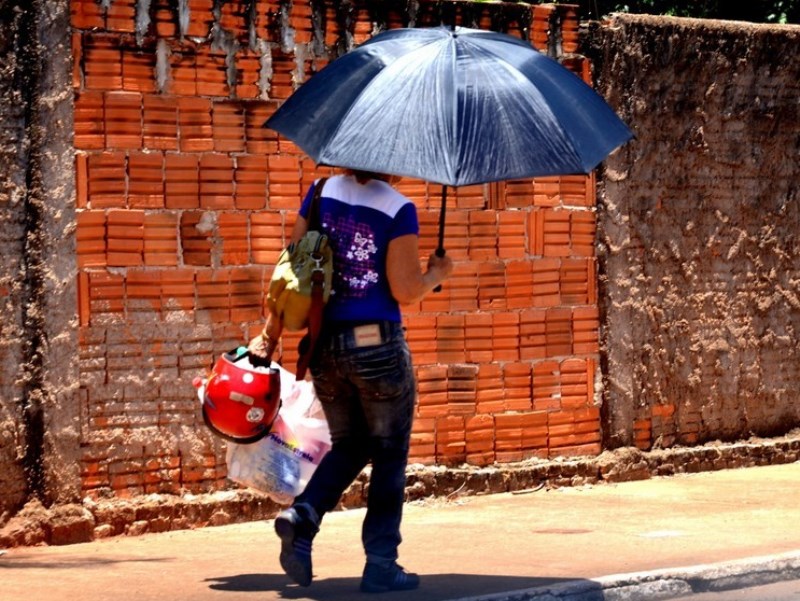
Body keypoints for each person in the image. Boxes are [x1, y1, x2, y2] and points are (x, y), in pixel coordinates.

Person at [248, 169, 453, 593]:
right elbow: (404, 289)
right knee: (389, 453)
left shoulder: (319, 192)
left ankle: (301, 518)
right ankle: (381, 564)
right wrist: (436, 274)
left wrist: (271, 333)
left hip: (325, 347)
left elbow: (292, 269)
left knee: (352, 445)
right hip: (377, 346)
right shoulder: (399, 208)